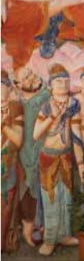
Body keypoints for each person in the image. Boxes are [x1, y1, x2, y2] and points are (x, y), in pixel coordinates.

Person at [33, 64, 84, 256]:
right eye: (58, 81)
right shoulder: (46, 105)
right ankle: (50, 238)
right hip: (48, 159)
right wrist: (52, 117)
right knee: (51, 200)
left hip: (66, 157)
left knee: (67, 198)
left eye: (65, 80)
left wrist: (80, 164)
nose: (62, 84)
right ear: (50, 85)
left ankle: (64, 234)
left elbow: (76, 135)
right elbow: (36, 134)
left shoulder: (73, 104)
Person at [15, 67, 47, 248]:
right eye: (25, 77)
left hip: (45, 150)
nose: (31, 77)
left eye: (31, 73)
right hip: (25, 153)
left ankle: (43, 228)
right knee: (28, 190)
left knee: (44, 189)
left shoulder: (46, 95)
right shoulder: (17, 101)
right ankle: (29, 229)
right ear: (18, 84)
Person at [1, 71, 24, 252]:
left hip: (7, 164)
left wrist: (3, 126)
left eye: (3, 86)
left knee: (7, 206)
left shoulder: (15, 107)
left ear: (9, 88)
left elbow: (17, 140)